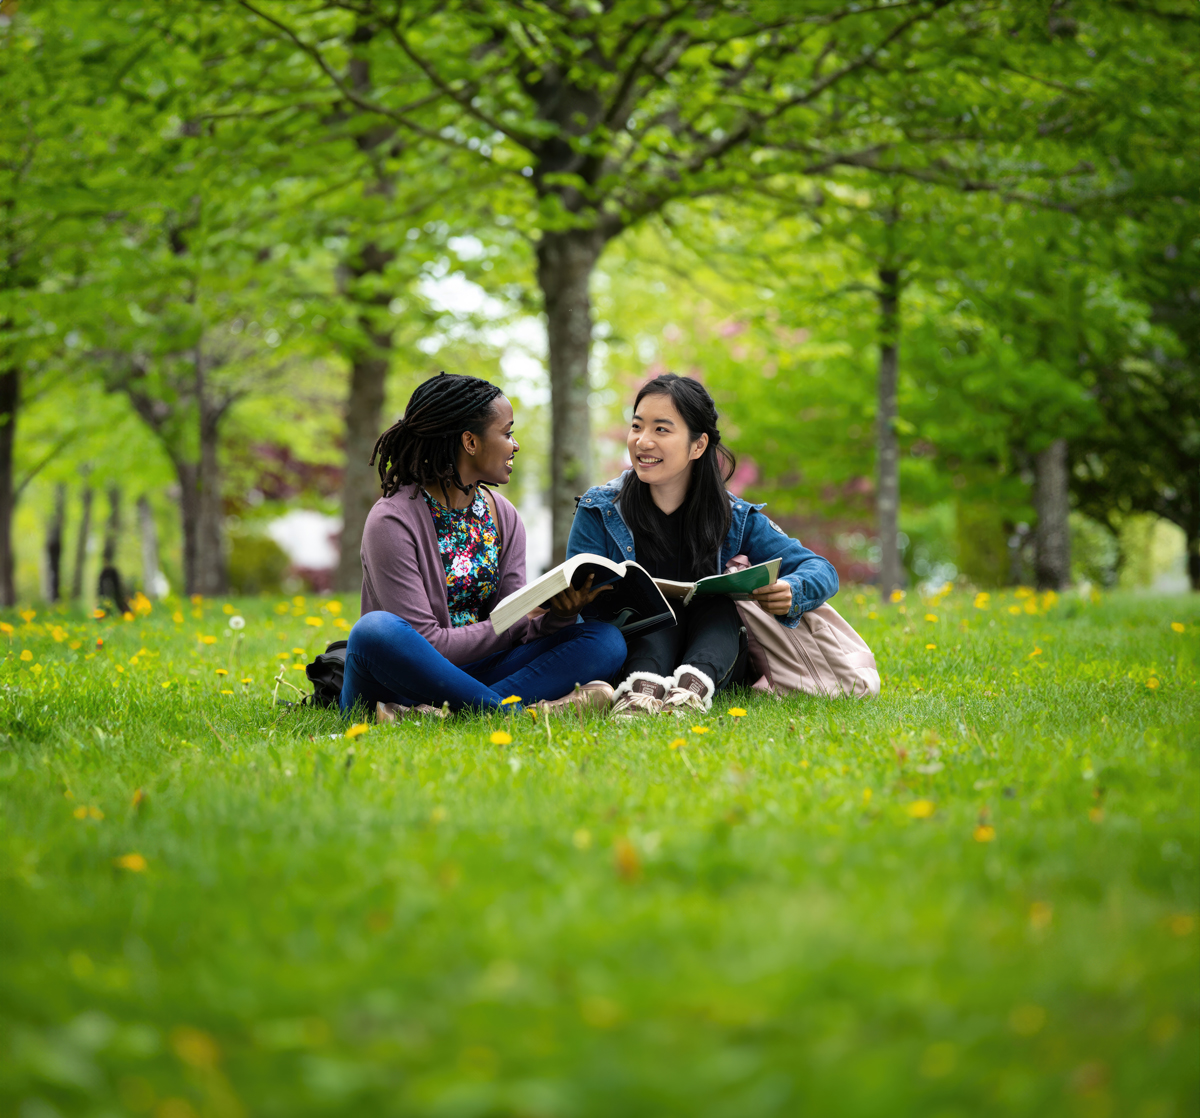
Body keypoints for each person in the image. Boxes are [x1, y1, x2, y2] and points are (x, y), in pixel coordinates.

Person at [343, 372, 623, 720]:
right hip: (404, 679)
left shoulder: (502, 515)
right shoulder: (392, 520)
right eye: (507, 433)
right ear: (470, 442)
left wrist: (560, 616)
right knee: (375, 631)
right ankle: (518, 714)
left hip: (478, 671)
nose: (515, 445)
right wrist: (513, 624)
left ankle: (439, 714)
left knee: (604, 640)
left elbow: (516, 623)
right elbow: (428, 643)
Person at [567, 373, 839, 716]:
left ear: (698, 445)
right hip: (631, 647)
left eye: (661, 430)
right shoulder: (601, 509)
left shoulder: (734, 516)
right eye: (637, 427)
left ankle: (689, 695)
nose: (642, 441)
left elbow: (821, 569)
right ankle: (640, 692)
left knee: (718, 606)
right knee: (657, 615)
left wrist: (791, 588)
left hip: (714, 649)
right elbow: (576, 594)